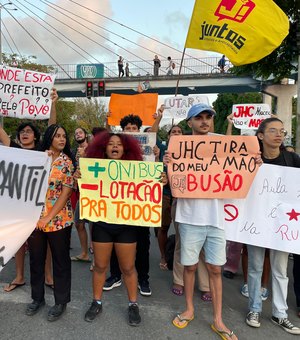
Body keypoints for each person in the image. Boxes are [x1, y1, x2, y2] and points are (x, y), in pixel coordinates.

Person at [164, 103, 239, 339]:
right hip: (189, 218)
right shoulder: (179, 147)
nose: (204, 121)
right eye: (199, 118)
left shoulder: (222, 144)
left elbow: (240, 168)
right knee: (190, 266)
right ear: (190, 123)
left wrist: (252, 164)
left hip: (216, 218)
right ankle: (189, 309)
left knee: (215, 268)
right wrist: (168, 164)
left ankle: (218, 319)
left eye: (208, 117)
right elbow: (173, 186)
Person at [83, 132, 167, 325]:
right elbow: (86, 190)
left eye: (119, 144)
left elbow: (150, 186)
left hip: (127, 226)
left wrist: (161, 180)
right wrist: (81, 175)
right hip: (102, 226)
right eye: (111, 144)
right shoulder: (94, 169)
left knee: (128, 268)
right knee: (100, 266)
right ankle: (96, 301)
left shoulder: (137, 170)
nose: (115, 147)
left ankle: (133, 304)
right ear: (103, 148)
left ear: (125, 149)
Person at [245, 117, 300, 335]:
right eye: (274, 131)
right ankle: (254, 308)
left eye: (282, 131)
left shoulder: (293, 159)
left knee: (280, 270)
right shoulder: (251, 160)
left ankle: (280, 313)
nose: (279, 135)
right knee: (256, 267)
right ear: (260, 135)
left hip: (283, 225)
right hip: (256, 222)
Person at [1, 88, 58, 292]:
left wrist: (53, 103)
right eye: (22, 132)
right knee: (18, 241)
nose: (24, 134)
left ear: (35, 136)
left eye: (28, 131)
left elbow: (52, 127)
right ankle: (19, 276)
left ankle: (48, 275)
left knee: (45, 242)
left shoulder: (42, 151)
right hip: (17, 206)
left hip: (39, 205)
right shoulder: (13, 150)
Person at [25, 124, 75, 322]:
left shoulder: (67, 163)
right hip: (35, 220)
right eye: (57, 136)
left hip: (59, 221)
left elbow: (66, 193)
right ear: (49, 138)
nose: (62, 139)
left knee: (60, 261)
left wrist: (48, 217)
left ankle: (61, 302)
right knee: (36, 259)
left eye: (64, 136)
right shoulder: (39, 159)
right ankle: (37, 298)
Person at [104, 113, 152, 296]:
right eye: (127, 129)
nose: (131, 132)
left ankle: (143, 278)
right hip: (117, 206)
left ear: (139, 132)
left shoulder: (149, 151)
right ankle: (115, 275)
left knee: (142, 244)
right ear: (122, 132)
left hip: (140, 206)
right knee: (116, 243)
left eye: (134, 129)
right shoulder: (114, 152)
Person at [71, 127, 91, 263]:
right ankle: (84, 253)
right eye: (76, 133)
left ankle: (97, 261)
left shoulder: (93, 150)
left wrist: (85, 156)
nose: (78, 135)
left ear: (85, 135)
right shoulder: (74, 152)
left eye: (80, 132)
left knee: (95, 226)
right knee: (78, 223)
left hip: (93, 192)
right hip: (80, 192)